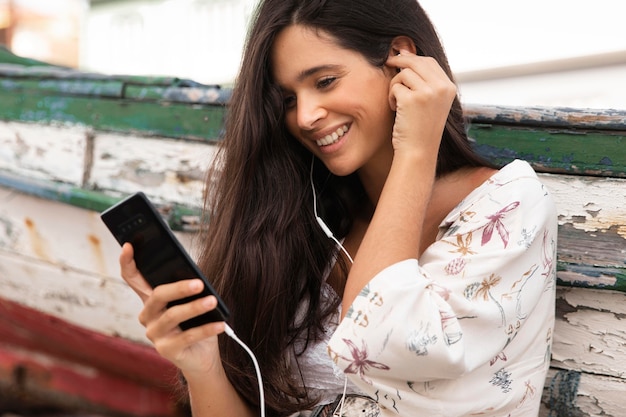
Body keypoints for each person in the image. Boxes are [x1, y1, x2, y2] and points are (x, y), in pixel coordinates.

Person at [119, 0, 558, 416]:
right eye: (288, 99)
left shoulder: (506, 204)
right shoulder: (308, 228)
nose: (305, 116)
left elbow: (379, 338)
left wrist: (415, 151)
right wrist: (202, 365)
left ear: (401, 58)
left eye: (325, 81)